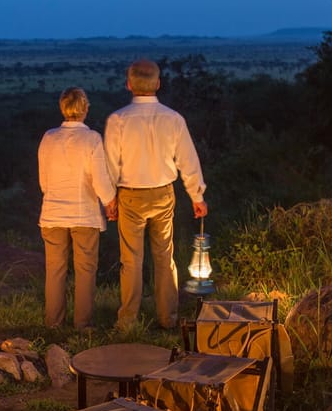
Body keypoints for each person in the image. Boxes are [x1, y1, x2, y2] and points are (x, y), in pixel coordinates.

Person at [104, 58, 207, 330]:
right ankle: (168, 318)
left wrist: (109, 199)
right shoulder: (173, 118)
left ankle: (127, 322)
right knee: (164, 257)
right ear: (158, 84)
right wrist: (197, 196)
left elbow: (110, 164)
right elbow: (188, 160)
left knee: (131, 261)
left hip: (130, 196)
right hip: (163, 194)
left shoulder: (118, 120)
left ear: (129, 85)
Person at [38, 87, 117, 329]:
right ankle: (82, 324)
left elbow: (44, 182)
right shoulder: (92, 138)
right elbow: (100, 180)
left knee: (55, 270)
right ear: (85, 108)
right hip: (84, 214)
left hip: (52, 214)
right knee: (85, 271)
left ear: (62, 108)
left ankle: (53, 323)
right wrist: (110, 203)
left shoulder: (48, 137)